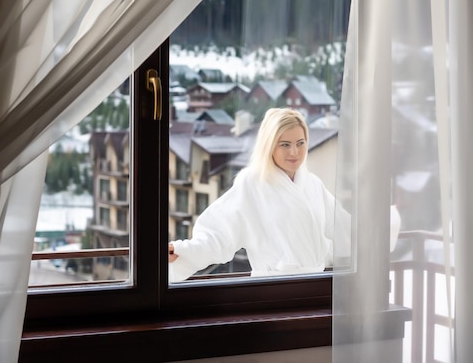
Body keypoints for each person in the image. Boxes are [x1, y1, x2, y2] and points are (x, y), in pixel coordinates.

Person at [168, 108, 400, 282]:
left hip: (316, 286)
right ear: (270, 145)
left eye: (300, 143)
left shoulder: (312, 184)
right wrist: (183, 251)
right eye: (285, 144)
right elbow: (219, 235)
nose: (294, 152)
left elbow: (343, 230)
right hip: (272, 288)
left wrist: (382, 223)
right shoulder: (251, 183)